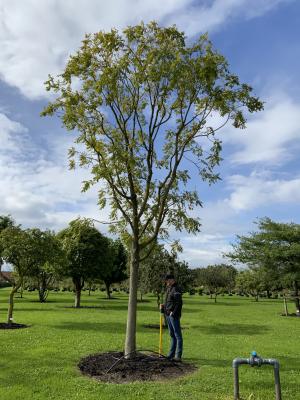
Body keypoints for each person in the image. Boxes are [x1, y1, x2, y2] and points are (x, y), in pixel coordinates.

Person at [163, 273, 183, 361]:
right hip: (167, 315)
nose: (166, 282)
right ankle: (171, 354)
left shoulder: (176, 289)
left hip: (173, 316)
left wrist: (173, 313)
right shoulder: (169, 288)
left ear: (171, 280)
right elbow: (169, 301)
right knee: (172, 335)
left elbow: (179, 303)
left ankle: (178, 356)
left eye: (167, 280)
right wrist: (164, 306)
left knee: (177, 335)